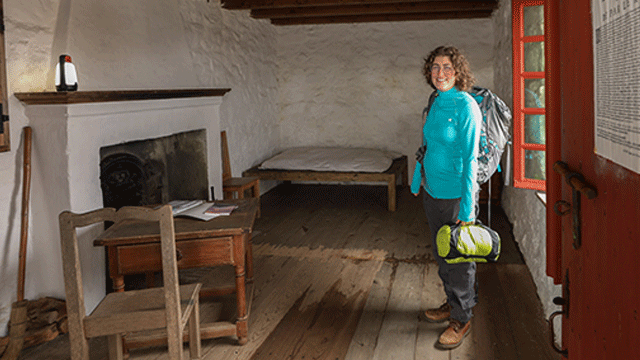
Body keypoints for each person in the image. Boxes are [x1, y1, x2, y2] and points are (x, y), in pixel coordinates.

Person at [410, 45, 482, 350]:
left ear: (459, 72)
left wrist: (467, 206)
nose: (441, 73)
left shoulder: (466, 106)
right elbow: (427, 145)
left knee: (460, 260)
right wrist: (417, 180)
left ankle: (462, 318)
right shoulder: (436, 101)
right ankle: (452, 304)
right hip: (433, 192)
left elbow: (470, 160)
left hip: (456, 197)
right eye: (436, 67)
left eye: (448, 67)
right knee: (443, 255)